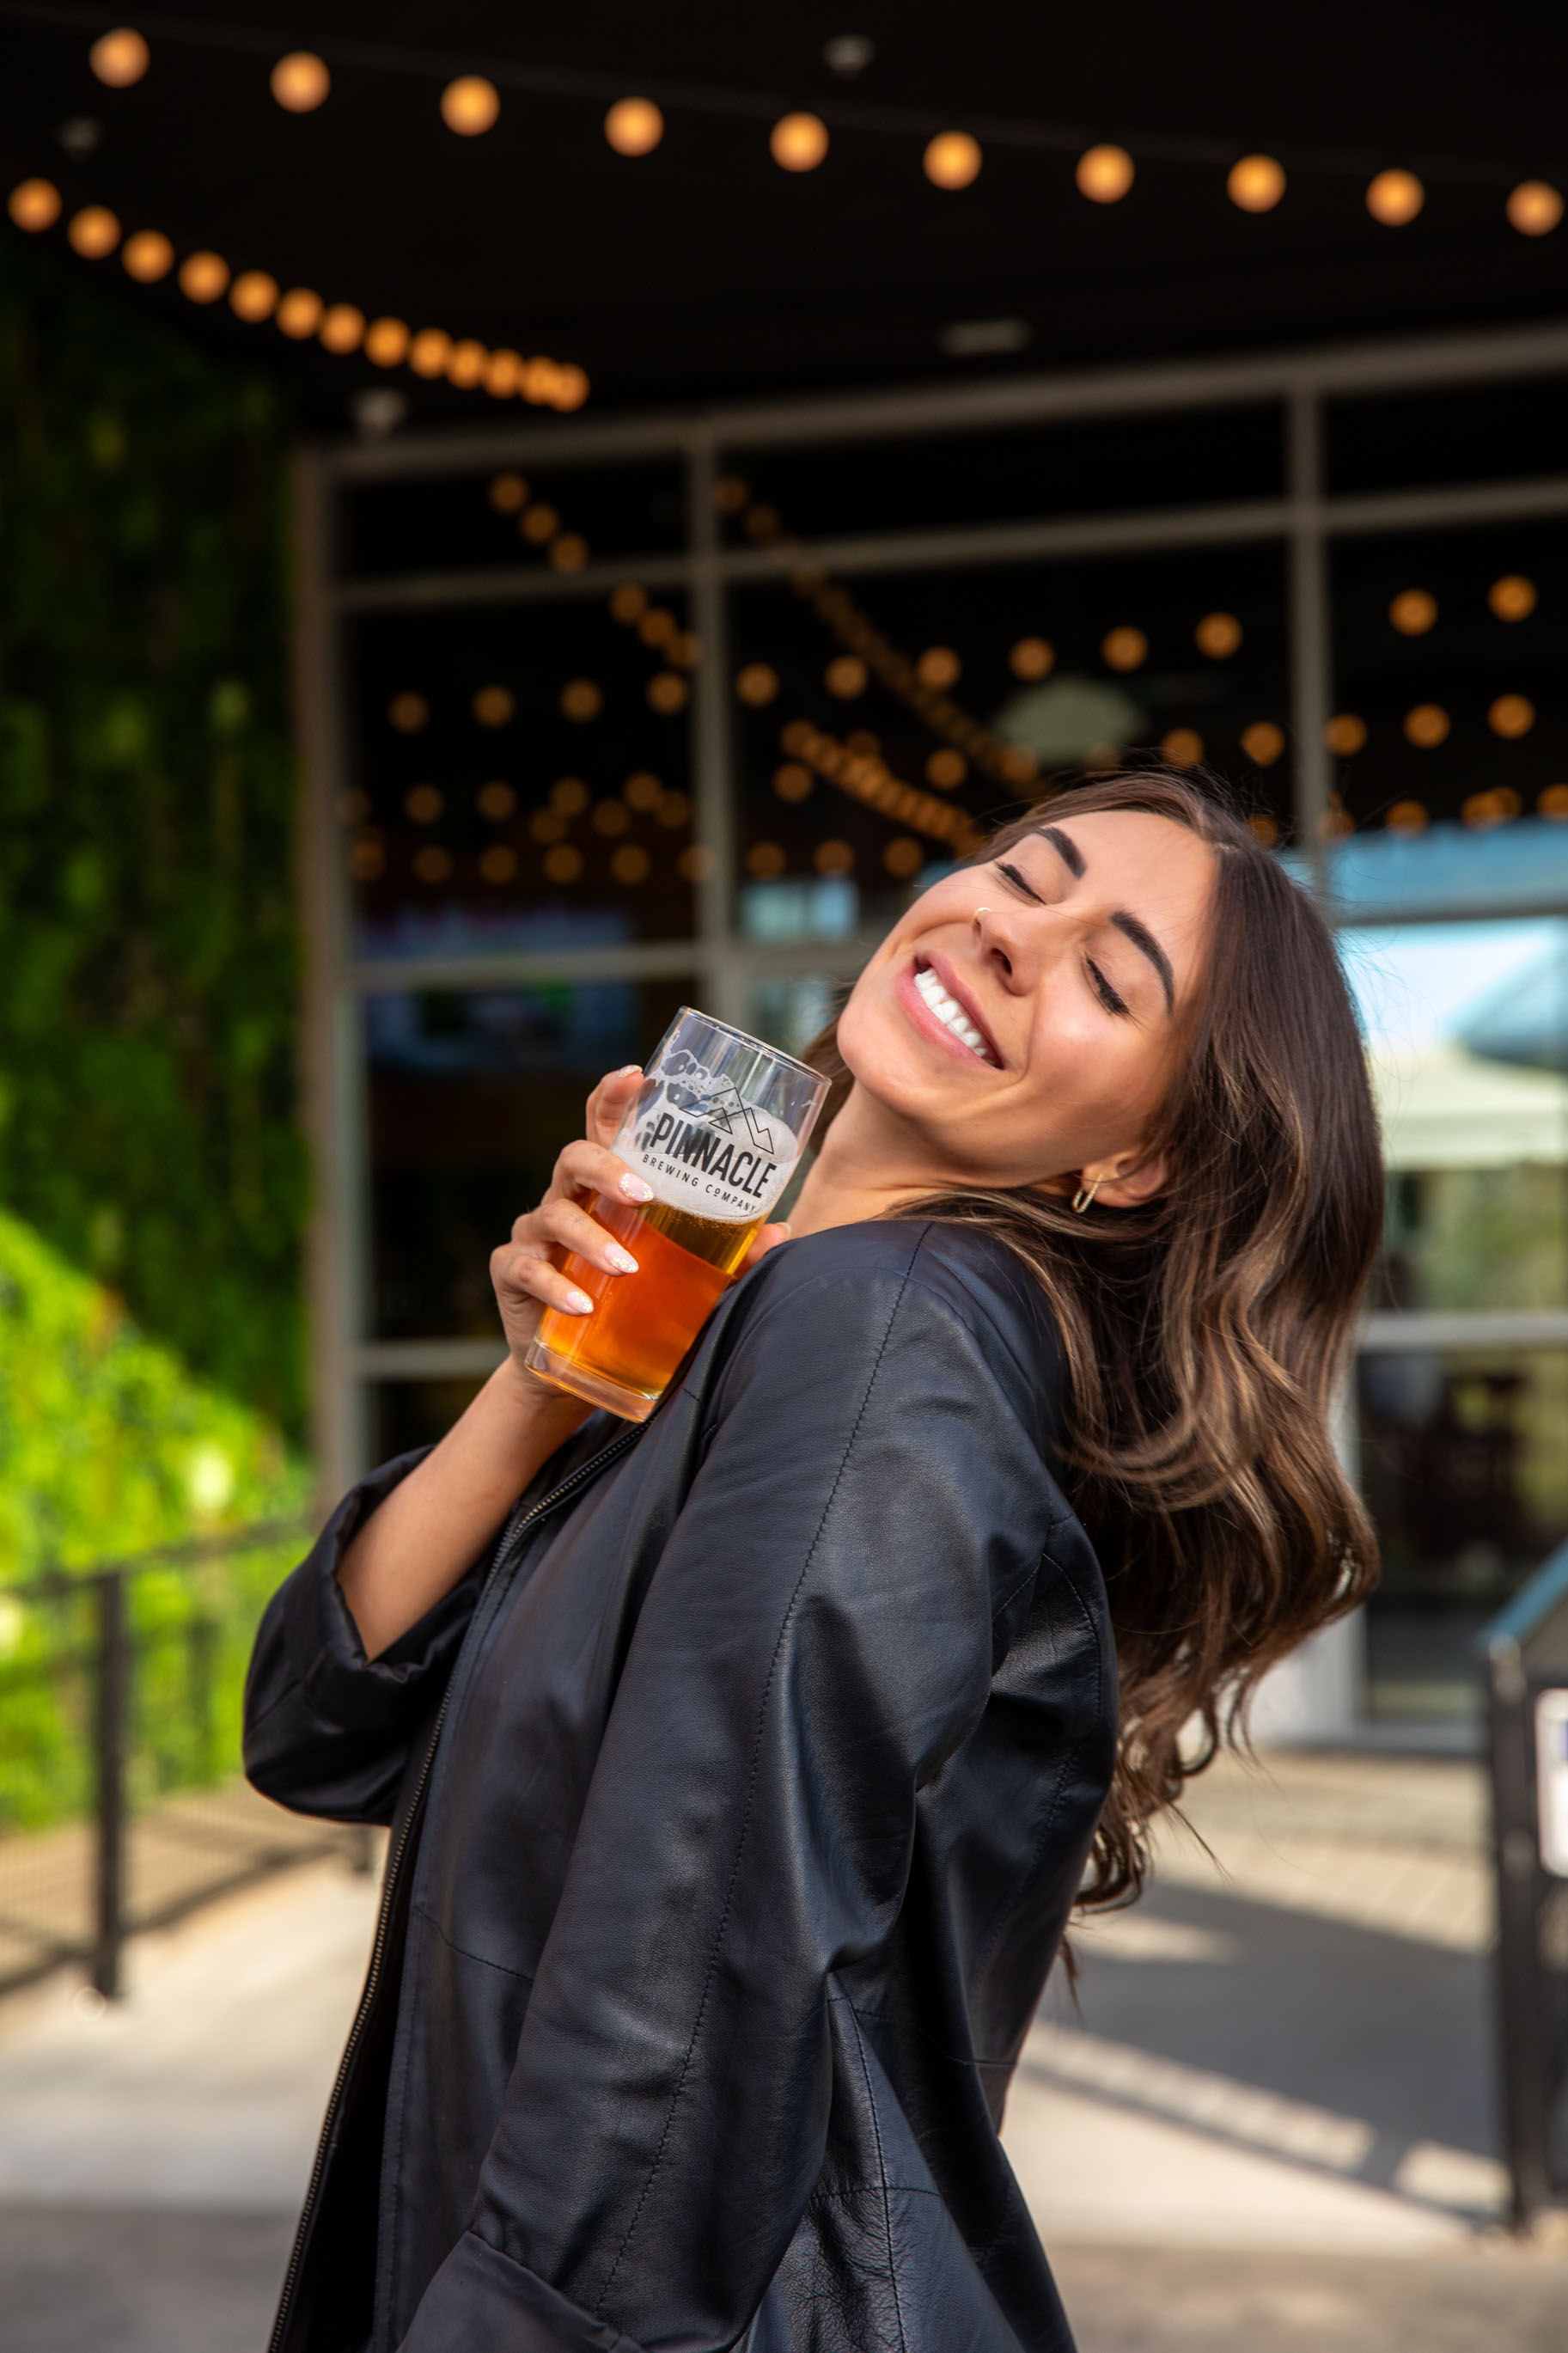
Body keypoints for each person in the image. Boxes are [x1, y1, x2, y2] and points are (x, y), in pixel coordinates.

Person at [244, 771, 1382, 2353]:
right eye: (1019, 871)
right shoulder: (767, 1326)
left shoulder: (892, 1324)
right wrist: (549, 1384)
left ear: (1136, 1163)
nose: (1010, 934)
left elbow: (697, 1948)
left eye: (1109, 976)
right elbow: (318, 1719)